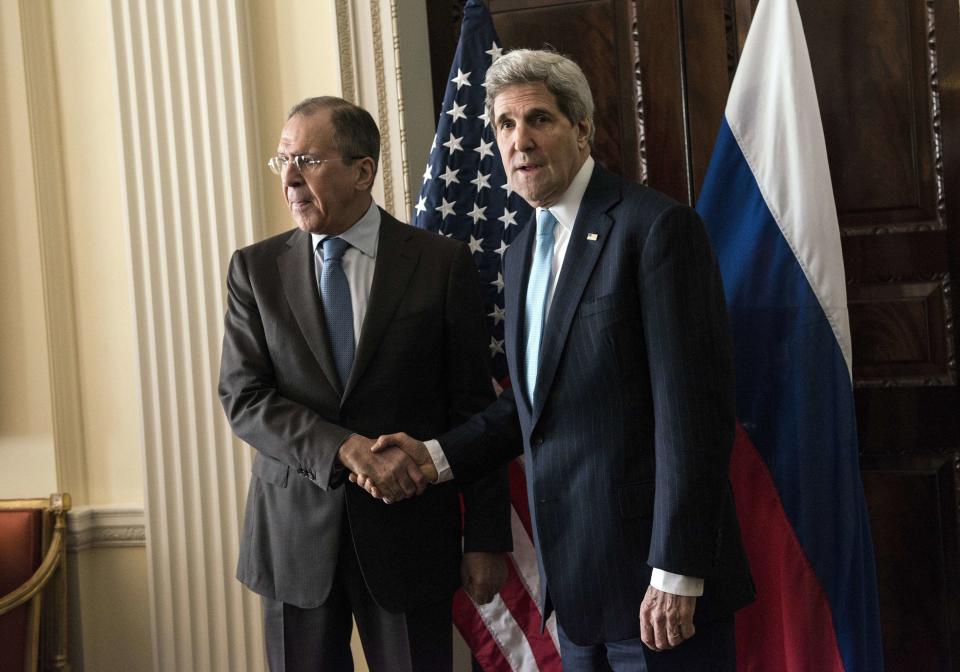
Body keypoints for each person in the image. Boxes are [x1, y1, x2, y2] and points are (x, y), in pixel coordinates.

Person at [356, 51, 755, 671]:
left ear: (583, 128)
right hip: (573, 590)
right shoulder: (519, 254)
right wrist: (433, 458)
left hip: (657, 589)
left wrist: (677, 569)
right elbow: (531, 404)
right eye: (504, 126)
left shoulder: (655, 230)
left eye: (538, 118)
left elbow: (693, 413)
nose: (520, 140)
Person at [218, 96, 511, 672]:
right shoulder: (255, 270)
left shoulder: (439, 262)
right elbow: (244, 398)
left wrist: (484, 535)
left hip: (410, 537)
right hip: (294, 539)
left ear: (362, 171)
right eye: (283, 163)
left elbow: (474, 408)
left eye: (308, 160)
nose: (292, 181)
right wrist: (345, 449)